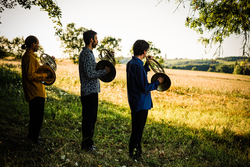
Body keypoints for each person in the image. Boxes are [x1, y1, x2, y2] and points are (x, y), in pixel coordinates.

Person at [126, 40, 164, 160]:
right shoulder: (137, 65)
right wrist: (158, 82)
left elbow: (140, 75)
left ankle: (133, 151)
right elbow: (144, 86)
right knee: (138, 129)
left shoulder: (132, 63)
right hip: (141, 102)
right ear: (144, 51)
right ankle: (135, 155)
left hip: (135, 101)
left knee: (136, 127)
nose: (147, 52)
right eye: (146, 50)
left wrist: (146, 65)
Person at [79, 30, 110, 152]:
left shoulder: (89, 53)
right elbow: (90, 73)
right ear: (91, 40)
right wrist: (105, 72)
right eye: (96, 38)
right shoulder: (86, 54)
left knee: (91, 119)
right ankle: (86, 145)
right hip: (89, 92)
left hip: (92, 91)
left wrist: (108, 58)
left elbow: (94, 67)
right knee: (88, 119)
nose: (97, 41)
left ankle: (88, 143)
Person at [21, 35, 52, 144]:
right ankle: (33, 139)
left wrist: (47, 65)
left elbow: (36, 70)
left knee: (35, 117)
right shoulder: (29, 58)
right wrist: (45, 75)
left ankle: (32, 137)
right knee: (36, 118)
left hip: (36, 91)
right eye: (37, 43)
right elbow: (30, 75)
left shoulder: (31, 57)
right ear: (33, 44)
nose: (38, 45)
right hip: (35, 92)